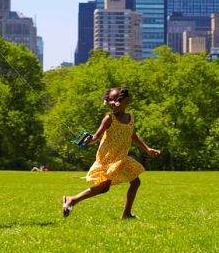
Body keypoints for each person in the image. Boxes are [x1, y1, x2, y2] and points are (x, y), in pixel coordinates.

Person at [62, 87, 160, 219]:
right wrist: (88, 140)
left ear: (126, 101)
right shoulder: (109, 118)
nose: (112, 103)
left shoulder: (130, 118)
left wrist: (147, 149)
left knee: (135, 183)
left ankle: (126, 214)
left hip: (121, 157)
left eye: (116, 100)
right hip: (108, 158)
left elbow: (132, 134)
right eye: (110, 100)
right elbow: (96, 137)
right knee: (104, 187)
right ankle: (72, 200)